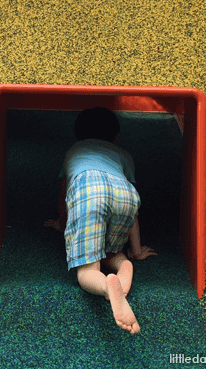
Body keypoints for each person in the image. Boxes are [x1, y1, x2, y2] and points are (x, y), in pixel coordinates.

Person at [45, 107, 156, 334]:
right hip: (125, 195)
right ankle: (123, 280)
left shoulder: (74, 150)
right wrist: (135, 248)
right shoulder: (123, 155)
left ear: (80, 135)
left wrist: (64, 225)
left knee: (87, 271)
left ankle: (107, 286)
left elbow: (64, 197)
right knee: (118, 257)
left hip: (89, 190)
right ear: (114, 136)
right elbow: (134, 213)